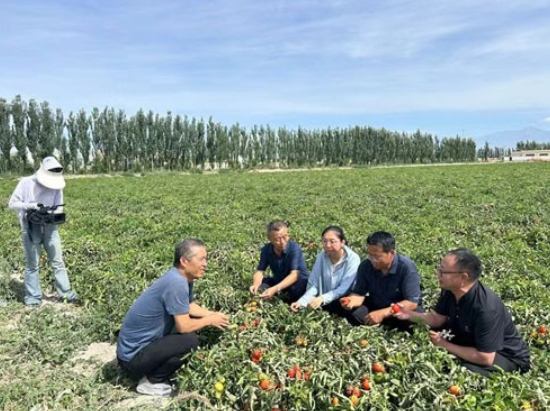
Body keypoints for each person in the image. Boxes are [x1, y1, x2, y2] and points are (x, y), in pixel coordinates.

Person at [117, 238, 230, 397]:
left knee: (186, 333)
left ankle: (153, 371)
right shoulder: (176, 283)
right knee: (189, 341)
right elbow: (184, 326)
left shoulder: (182, 278)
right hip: (132, 360)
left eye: (206, 259)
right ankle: (150, 381)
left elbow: (188, 306)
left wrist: (212, 314)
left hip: (136, 351)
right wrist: (210, 321)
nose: (205, 264)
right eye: (201, 259)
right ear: (184, 261)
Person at [394, 248, 530, 377]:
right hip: (470, 340)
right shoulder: (450, 289)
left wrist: (445, 345)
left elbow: (486, 357)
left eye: (443, 272)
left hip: (504, 355)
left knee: (463, 371)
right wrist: (408, 314)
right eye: (439, 269)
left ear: (463, 278)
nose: (438, 275)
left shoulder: (486, 308)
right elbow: (437, 319)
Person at [8, 156, 77, 306]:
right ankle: (33, 298)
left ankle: (66, 294)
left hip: (50, 228)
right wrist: (31, 206)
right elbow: (12, 203)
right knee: (33, 265)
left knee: (58, 261)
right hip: (31, 227)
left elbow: (59, 205)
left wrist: (52, 214)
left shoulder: (57, 186)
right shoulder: (26, 182)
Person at [342, 231, 422, 329]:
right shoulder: (366, 266)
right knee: (354, 313)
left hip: (398, 308)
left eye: (377, 256)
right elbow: (359, 293)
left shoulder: (406, 267)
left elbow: (412, 302)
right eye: (370, 255)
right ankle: (383, 323)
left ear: (391, 253)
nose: (372, 259)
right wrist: (350, 301)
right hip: (377, 304)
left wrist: (383, 313)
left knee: (411, 318)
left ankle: (383, 322)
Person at [290, 226, 360, 315]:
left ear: (342, 242)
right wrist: (302, 301)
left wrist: (322, 298)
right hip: (322, 299)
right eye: (324, 241)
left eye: (332, 241)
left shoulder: (353, 259)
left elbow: (344, 289)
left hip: (341, 301)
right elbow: (314, 284)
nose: (327, 245)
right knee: (298, 287)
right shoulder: (321, 256)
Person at [249, 220, 308, 303]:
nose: (282, 242)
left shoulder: (294, 248)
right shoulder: (266, 249)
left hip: (297, 282)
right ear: (269, 239)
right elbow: (260, 271)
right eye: (277, 239)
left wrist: (275, 289)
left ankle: (286, 300)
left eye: (285, 237)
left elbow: (294, 275)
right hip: (279, 281)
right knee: (261, 287)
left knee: (297, 289)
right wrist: (255, 285)